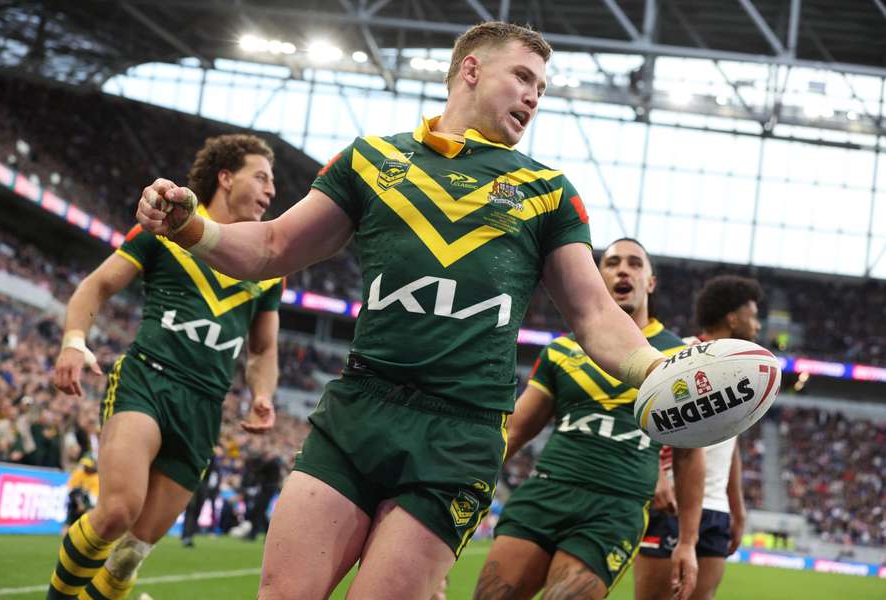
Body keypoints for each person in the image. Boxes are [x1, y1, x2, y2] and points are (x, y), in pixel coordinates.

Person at [136, 22, 674, 600]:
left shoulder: (549, 192)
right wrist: (192, 226)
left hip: (460, 437)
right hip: (358, 412)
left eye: (541, 88)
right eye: (523, 77)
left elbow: (594, 315)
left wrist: (657, 371)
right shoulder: (370, 160)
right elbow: (272, 246)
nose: (533, 96)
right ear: (471, 70)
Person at [46, 134, 283, 600]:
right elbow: (96, 287)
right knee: (117, 512)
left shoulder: (267, 266)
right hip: (147, 381)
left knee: (129, 556)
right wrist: (74, 341)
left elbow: (263, 350)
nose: (271, 190)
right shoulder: (168, 229)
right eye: (261, 177)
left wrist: (263, 394)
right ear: (225, 177)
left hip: (204, 408)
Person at [473, 239, 704, 600]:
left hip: (617, 507)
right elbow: (515, 430)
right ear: (598, 277)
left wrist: (687, 542)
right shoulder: (562, 350)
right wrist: (463, 484)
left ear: (650, 282)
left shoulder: (680, 358)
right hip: (545, 493)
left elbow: (689, 456)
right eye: (612, 263)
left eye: (634, 263)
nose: (623, 270)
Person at [635, 275, 762, 600]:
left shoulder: (741, 370)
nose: (758, 325)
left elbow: (730, 443)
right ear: (732, 319)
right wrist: (657, 476)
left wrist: (737, 507)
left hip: (716, 509)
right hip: (673, 503)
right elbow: (646, 418)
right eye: (753, 316)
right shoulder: (681, 355)